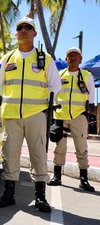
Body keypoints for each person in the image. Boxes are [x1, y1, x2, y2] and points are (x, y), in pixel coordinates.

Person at [0, 16, 61, 212]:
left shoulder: (44, 59)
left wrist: (41, 107)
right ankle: (9, 194)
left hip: (36, 115)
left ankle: (40, 197)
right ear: (16, 33)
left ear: (34, 33)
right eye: (20, 27)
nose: (23, 30)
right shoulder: (7, 59)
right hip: (12, 115)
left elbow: (55, 86)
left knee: (38, 154)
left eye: (28, 27)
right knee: (10, 154)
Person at [47, 47, 95, 192]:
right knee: (59, 148)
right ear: (66, 59)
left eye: (75, 55)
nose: (72, 57)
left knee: (81, 147)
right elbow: (53, 94)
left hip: (78, 116)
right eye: (70, 55)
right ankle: (57, 176)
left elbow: (91, 97)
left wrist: (86, 114)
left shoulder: (87, 76)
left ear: (80, 59)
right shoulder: (60, 75)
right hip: (60, 116)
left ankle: (83, 179)